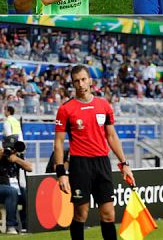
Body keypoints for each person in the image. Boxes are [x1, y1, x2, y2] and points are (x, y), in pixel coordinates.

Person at [54, 65, 135, 240]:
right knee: (81, 214)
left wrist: (124, 164)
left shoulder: (103, 105)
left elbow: (111, 136)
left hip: (102, 163)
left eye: (83, 79)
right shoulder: (65, 109)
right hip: (80, 165)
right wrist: (61, 172)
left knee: (109, 214)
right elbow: (59, 143)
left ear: (90, 80)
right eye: (76, 81)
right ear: (73, 84)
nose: (81, 84)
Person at [0, 136, 33, 234]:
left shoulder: (17, 156)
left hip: (12, 187)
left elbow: (30, 168)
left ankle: (25, 225)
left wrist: (17, 160)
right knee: (11, 191)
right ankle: (11, 226)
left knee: (27, 194)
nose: (11, 151)